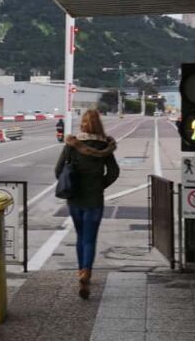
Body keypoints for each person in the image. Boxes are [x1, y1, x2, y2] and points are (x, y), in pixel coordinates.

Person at [54, 109, 120, 299]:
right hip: (94, 198)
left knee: (80, 236)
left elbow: (58, 170)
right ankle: (86, 272)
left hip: (75, 198)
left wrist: (71, 184)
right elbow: (114, 171)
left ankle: (80, 271)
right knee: (90, 239)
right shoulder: (105, 146)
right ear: (99, 124)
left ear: (82, 123)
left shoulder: (72, 144)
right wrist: (100, 184)